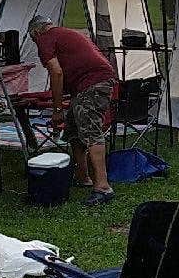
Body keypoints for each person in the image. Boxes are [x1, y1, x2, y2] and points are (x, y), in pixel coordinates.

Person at [29, 14, 118, 207]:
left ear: (36, 32)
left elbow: (56, 71)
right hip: (91, 81)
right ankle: (83, 176)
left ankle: (103, 187)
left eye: (33, 39)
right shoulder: (65, 33)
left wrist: (58, 108)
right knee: (74, 130)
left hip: (94, 81)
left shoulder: (45, 38)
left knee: (90, 129)